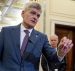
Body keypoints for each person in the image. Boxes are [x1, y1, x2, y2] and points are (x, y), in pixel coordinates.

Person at [0, 2, 73, 71]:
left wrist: (60, 53)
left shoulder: (42, 37)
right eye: (32, 13)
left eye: (38, 15)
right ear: (22, 13)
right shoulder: (6, 32)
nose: (35, 17)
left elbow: (52, 60)